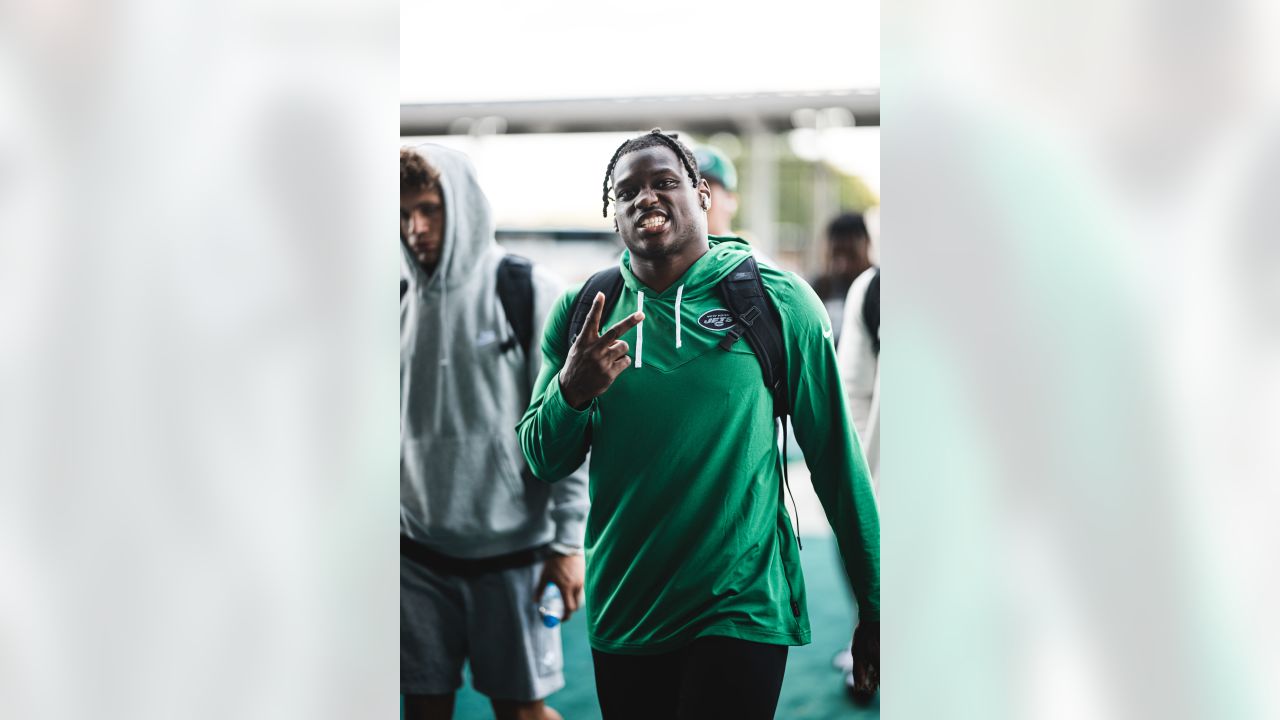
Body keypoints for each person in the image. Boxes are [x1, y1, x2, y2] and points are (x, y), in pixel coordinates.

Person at [517, 129, 880, 719]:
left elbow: (837, 462)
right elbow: (541, 458)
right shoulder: (586, 309)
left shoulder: (777, 300)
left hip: (740, 605)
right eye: (626, 191)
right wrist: (572, 391)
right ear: (613, 214)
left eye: (665, 182)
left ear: (703, 194)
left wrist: (877, 601)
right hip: (627, 607)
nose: (646, 199)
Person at [400, 144, 588, 720]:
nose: (415, 228)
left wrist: (567, 540)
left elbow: (568, 421)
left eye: (430, 209)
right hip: (415, 554)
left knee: (521, 712)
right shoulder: (394, 298)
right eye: (402, 214)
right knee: (423, 706)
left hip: (514, 550)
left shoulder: (529, 291)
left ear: (464, 208)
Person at [809, 212, 873, 344]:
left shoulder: (877, 289)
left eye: (851, 255)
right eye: (836, 256)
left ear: (867, 244)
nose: (843, 266)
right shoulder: (819, 288)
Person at [694, 144, 739, 237]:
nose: (698, 199)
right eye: (692, 189)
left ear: (731, 200)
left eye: (707, 193)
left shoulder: (746, 251)